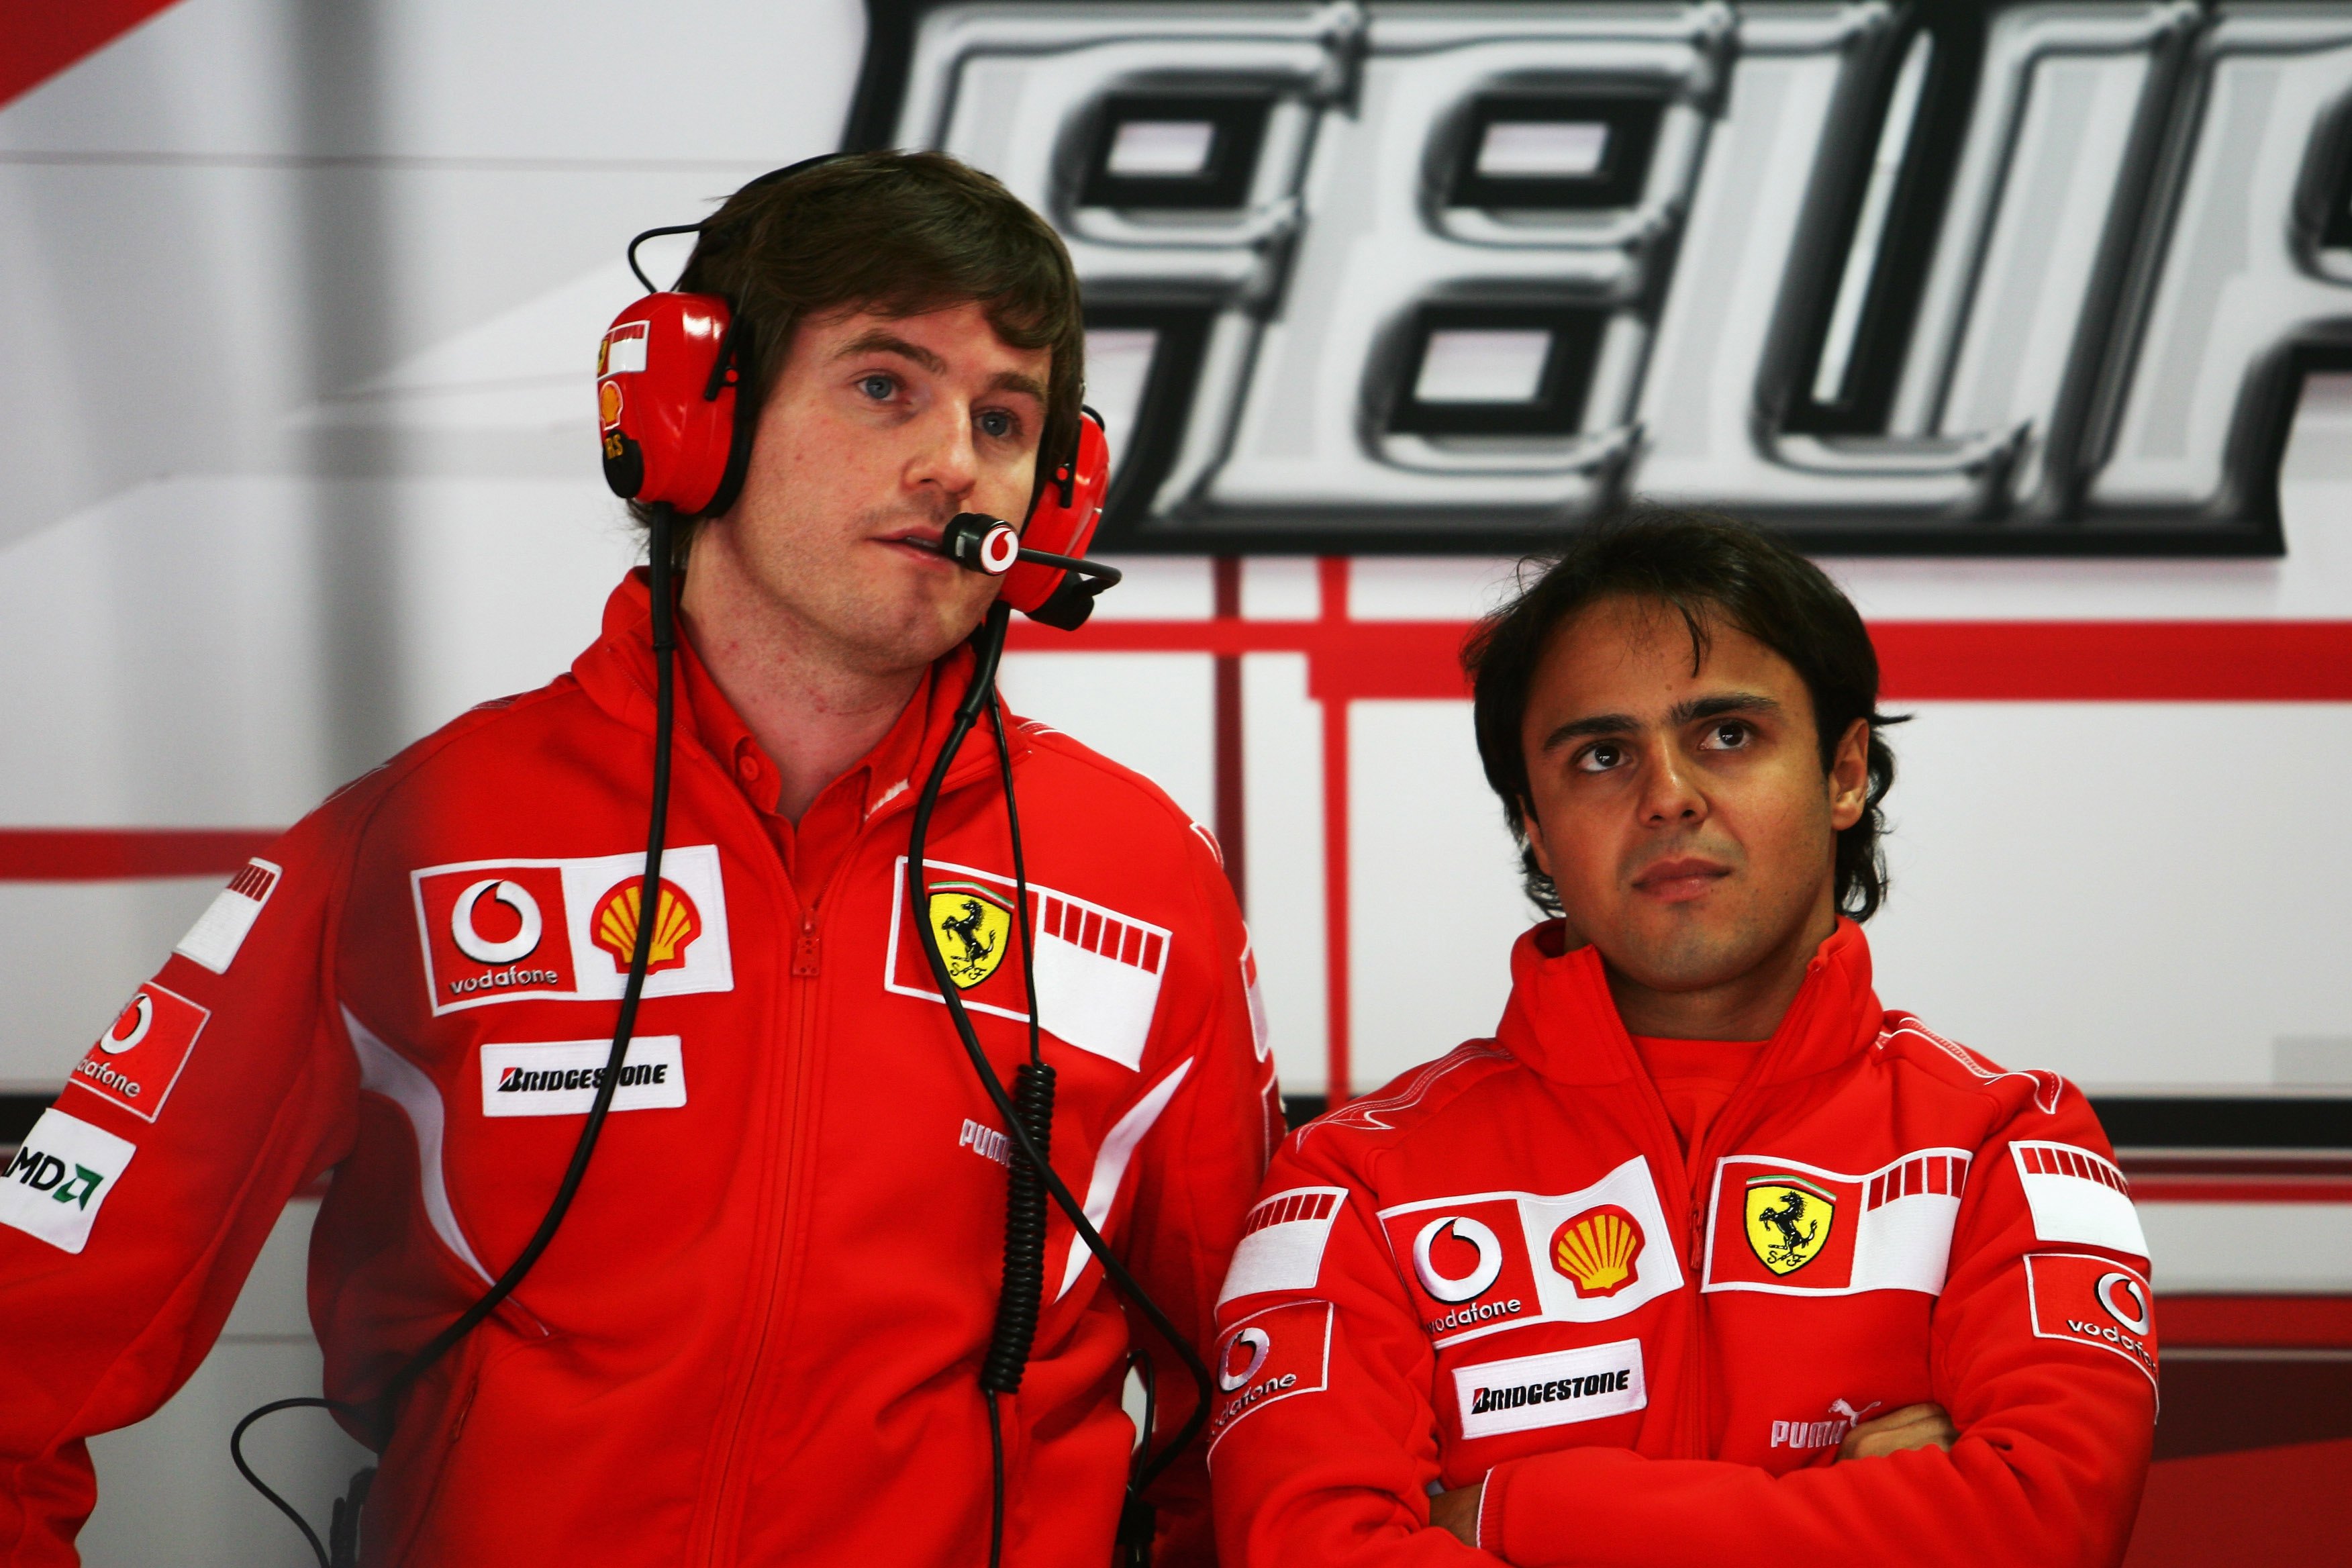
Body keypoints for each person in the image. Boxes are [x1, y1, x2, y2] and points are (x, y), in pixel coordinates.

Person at [0, 152, 1279, 1566]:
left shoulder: (1144, 878)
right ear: (690, 417)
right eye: (884, 385)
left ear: (1059, 494)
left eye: (1004, 417)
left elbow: (1270, 1413)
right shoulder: (414, 841)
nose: (954, 462)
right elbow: (29, 1322)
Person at [1206, 510, 2156, 1567]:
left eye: (1729, 735)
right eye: (1603, 754)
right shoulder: (1357, 1184)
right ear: (1532, 820)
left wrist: (1516, 1515)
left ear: (1845, 774)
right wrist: (1858, 1520)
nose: (1669, 796)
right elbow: (1310, 1552)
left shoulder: (2009, 1145)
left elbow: (2039, 1525)